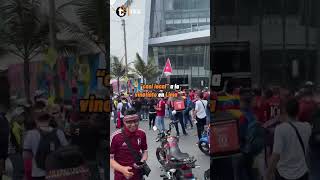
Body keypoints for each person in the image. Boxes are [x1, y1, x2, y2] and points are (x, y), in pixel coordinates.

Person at [265, 98, 311, 180]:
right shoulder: (307, 126)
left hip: (284, 174)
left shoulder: (280, 129)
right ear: (298, 111)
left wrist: (268, 173)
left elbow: (276, 155)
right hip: (303, 172)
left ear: (284, 111)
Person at [23, 111, 69, 180]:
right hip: (56, 171)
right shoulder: (59, 132)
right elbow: (66, 150)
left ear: (35, 120)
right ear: (49, 119)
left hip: (38, 172)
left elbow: (26, 156)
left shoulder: (30, 134)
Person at [110, 108, 148, 180]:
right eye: (129, 122)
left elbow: (145, 151)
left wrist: (142, 161)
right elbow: (110, 158)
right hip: (121, 176)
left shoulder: (142, 133)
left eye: (135, 121)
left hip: (138, 175)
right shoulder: (116, 137)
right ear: (124, 122)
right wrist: (122, 169)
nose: (133, 124)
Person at [0, 103, 9, 180]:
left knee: (3, 157)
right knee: (1, 157)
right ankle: (2, 170)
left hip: (4, 141)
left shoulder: (5, 118)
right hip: (1, 141)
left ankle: (3, 170)